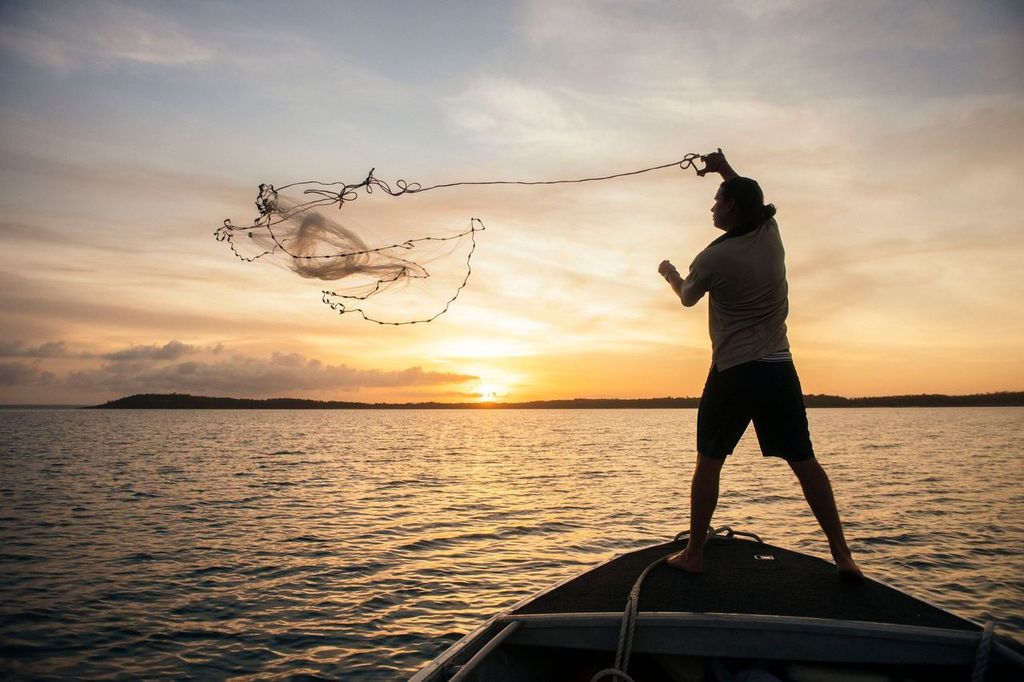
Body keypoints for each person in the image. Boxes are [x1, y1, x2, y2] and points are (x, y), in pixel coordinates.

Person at [658, 149, 862, 580]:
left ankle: (694, 554)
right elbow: (753, 199)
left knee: (708, 461)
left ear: (731, 207)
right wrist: (724, 168)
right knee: (805, 461)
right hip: (778, 370)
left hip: (733, 372)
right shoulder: (770, 232)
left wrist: (670, 273)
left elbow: (688, 298)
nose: (712, 206)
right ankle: (843, 555)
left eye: (717, 200)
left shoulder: (713, 258)